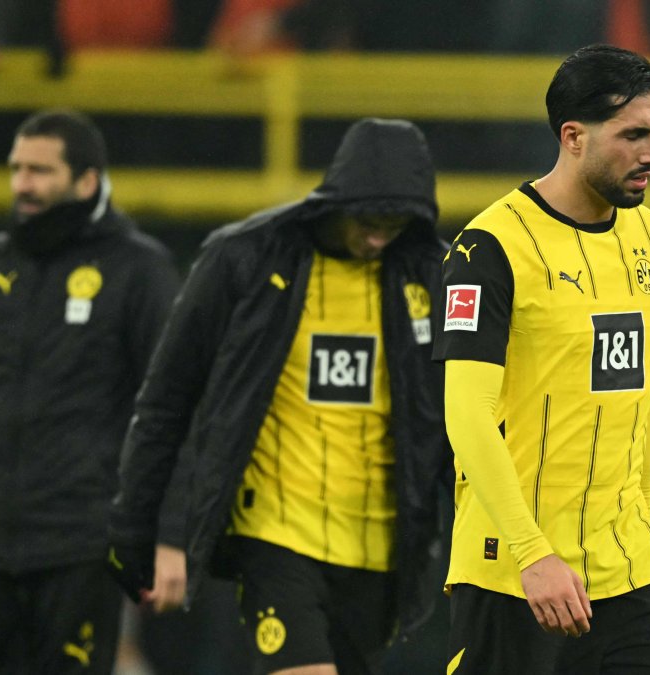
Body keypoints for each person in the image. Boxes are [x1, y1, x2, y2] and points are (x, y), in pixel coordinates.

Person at [106, 117, 453, 675]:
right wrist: (149, 532)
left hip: (380, 549)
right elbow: (167, 402)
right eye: (366, 220)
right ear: (337, 199)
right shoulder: (243, 259)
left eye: (393, 225)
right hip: (274, 536)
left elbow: (452, 420)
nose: (375, 237)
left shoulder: (429, 277)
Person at [434, 44, 650, 674]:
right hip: (515, 572)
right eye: (633, 135)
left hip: (630, 568)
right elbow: (466, 415)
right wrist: (533, 555)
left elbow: (646, 393)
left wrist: (644, 519)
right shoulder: (490, 248)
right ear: (574, 136)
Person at [0, 109, 183, 674]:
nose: (22, 184)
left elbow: (173, 410)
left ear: (86, 181)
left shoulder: (139, 271)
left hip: (82, 545)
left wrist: (169, 536)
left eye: (40, 171)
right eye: (17, 168)